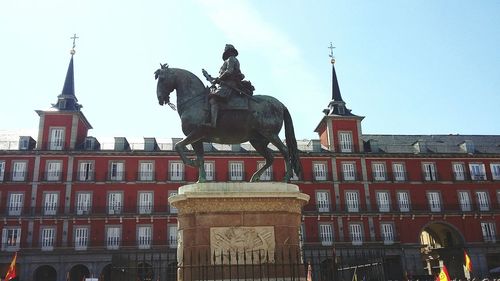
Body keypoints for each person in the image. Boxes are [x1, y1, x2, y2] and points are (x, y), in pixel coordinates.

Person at [203, 44, 246, 128]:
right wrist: (210, 78)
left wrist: (218, 79)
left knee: (213, 100)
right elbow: (222, 78)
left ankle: (213, 123)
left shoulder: (231, 59)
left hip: (229, 86)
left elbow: (229, 71)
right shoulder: (231, 60)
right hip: (226, 84)